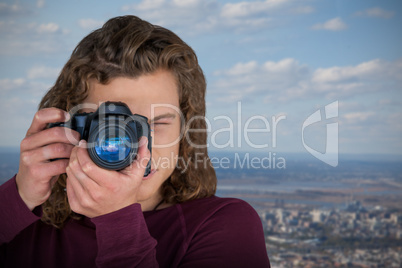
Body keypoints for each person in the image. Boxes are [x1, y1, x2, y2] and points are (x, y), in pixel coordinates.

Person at [0, 15, 270, 267]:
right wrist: (17, 199)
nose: (137, 144)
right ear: (70, 127)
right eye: (107, 124)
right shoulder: (24, 219)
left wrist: (118, 224)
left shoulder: (223, 225)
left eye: (157, 123)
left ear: (185, 133)